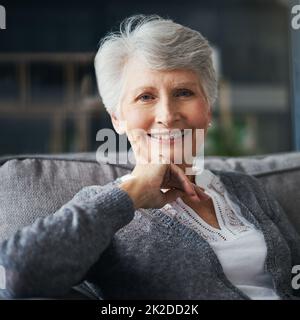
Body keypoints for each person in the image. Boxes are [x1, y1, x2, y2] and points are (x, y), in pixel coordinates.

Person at [0, 14, 300, 300]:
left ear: (207, 109)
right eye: (145, 97)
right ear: (118, 118)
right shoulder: (104, 206)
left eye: (184, 92)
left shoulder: (246, 189)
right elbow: (18, 273)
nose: (167, 116)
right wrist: (130, 196)